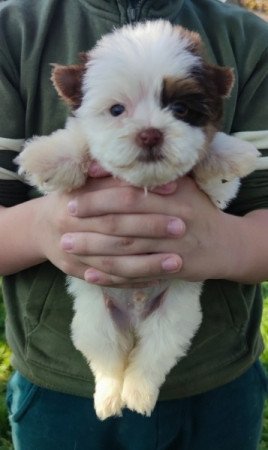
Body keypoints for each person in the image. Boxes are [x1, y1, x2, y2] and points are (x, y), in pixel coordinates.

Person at [0, 0, 268, 449]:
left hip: (219, 381)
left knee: (170, 326)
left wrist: (225, 241)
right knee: (97, 333)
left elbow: (244, 176)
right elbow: (53, 157)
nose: (149, 129)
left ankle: (144, 375)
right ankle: (109, 375)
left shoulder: (249, 40)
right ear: (79, 100)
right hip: (59, 390)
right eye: (119, 110)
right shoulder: (15, 33)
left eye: (180, 111)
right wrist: (40, 226)